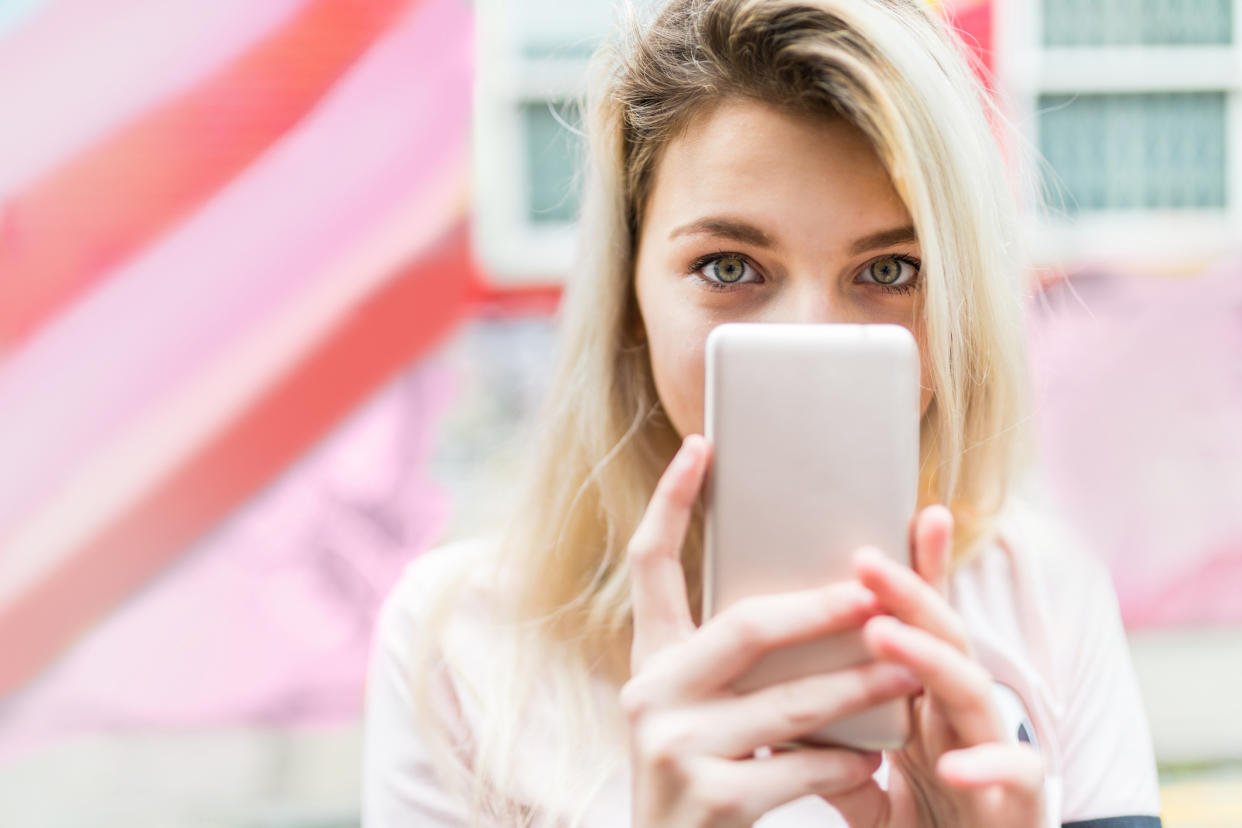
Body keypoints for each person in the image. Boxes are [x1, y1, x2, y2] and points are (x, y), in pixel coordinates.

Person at [361, 0, 1163, 825]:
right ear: (630, 295)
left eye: (889, 271)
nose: (809, 340)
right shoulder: (461, 644)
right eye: (728, 266)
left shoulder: (1042, 593)